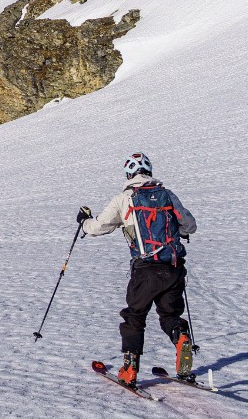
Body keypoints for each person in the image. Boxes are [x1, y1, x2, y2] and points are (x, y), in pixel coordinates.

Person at [76, 152, 198, 385]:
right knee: (170, 315)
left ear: (129, 173)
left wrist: (84, 221)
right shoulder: (167, 194)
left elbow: (99, 227)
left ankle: (130, 369)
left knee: (135, 316)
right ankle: (181, 338)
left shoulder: (125, 198)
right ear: (149, 171)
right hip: (173, 267)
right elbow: (190, 225)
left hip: (145, 269)